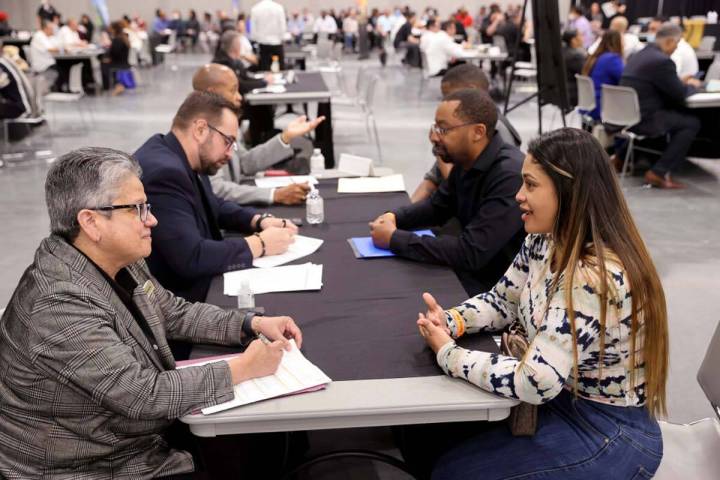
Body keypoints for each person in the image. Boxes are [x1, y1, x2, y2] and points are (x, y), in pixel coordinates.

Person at [0, 146, 303, 479]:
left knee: (267, 443)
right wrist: (243, 368)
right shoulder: (59, 304)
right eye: (138, 209)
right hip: (88, 464)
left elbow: (170, 312)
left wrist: (250, 322)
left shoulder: (117, 259)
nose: (152, 220)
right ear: (91, 222)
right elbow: (143, 395)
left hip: (121, 437)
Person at [414, 127, 668, 480]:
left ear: (568, 191)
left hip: (609, 431)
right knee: (435, 441)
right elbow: (502, 302)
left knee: (452, 471)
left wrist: (449, 354)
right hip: (563, 404)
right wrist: (453, 321)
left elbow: (536, 381)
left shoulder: (592, 274)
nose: (518, 195)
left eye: (531, 185)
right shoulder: (545, 240)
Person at [134, 91, 298, 305]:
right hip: (183, 304)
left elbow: (211, 204)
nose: (230, 154)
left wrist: (258, 220)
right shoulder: (164, 173)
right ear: (201, 129)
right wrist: (260, 244)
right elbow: (192, 258)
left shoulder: (177, 153)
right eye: (228, 141)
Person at [370, 89, 525, 296]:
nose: (434, 136)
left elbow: (471, 253)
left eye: (443, 129)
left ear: (478, 132)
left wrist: (394, 238)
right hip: (471, 273)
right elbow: (437, 206)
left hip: (497, 291)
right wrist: (394, 217)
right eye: (435, 127)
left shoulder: (509, 175)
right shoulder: (466, 160)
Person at [192, 63, 323, 205]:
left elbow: (244, 163)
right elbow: (217, 190)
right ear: (212, 92)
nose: (239, 97)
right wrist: (275, 194)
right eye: (233, 91)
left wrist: (286, 136)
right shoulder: (202, 132)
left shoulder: (223, 123)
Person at [412, 64, 522, 203]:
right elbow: (433, 179)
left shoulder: (498, 133)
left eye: (450, 96)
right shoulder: (457, 134)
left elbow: (459, 192)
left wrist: (439, 149)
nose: (446, 102)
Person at [620, 24, 702, 189]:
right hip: (645, 118)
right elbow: (680, 94)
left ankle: (620, 158)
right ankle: (659, 172)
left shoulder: (638, 55)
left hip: (626, 115)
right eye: (676, 45)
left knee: (671, 117)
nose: (675, 49)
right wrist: (694, 85)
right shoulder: (663, 61)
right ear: (670, 41)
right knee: (691, 123)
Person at [581, 29, 624, 121]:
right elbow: (624, 79)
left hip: (590, 104)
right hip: (603, 106)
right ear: (618, 41)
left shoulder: (595, 57)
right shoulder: (613, 59)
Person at [250, 0, 286, 71]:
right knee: (280, 68)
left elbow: (253, 29)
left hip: (263, 43)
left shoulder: (255, 9)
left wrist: (256, 39)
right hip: (277, 42)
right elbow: (282, 26)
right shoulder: (279, 8)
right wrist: (282, 38)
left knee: (265, 68)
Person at [29, 19, 60, 91]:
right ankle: (57, 88)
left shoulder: (46, 36)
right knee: (63, 67)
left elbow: (57, 45)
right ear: (46, 28)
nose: (52, 31)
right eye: (51, 29)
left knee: (65, 66)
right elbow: (51, 49)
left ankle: (59, 87)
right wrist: (61, 48)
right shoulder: (39, 36)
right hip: (42, 63)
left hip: (48, 61)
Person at [101, 21, 130, 95]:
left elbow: (114, 53)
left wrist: (108, 58)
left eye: (110, 29)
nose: (109, 30)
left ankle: (107, 87)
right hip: (123, 62)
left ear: (114, 29)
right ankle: (116, 83)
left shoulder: (117, 40)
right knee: (104, 61)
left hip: (119, 63)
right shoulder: (123, 37)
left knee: (103, 64)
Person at [562, 29, 588, 107]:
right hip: (575, 92)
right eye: (580, 36)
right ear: (573, 40)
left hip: (565, 90)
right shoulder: (576, 56)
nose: (583, 38)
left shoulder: (563, 51)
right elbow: (586, 72)